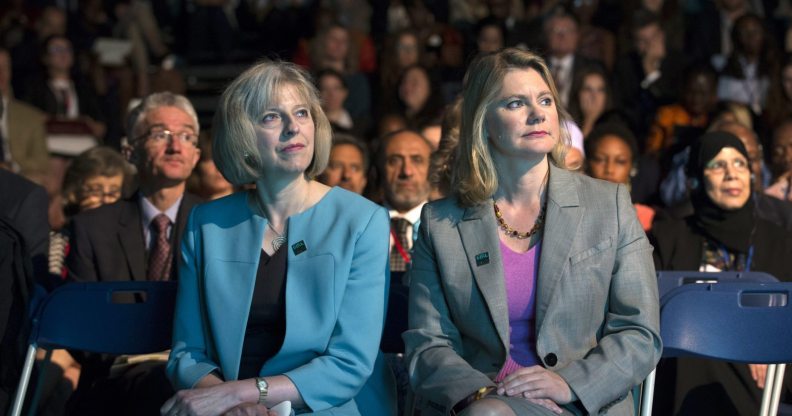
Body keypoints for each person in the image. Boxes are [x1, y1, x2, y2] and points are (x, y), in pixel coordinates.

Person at [403, 48, 661, 416]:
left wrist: (569, 383)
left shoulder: (610, 205)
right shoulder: (440, 223)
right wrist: (482, 394)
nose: (538, 113)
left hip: (581, 402)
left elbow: (640, 333)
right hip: (480, 398)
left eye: (545, 100)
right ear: (484, 122)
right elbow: (429, 344)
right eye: (515, 103)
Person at [162, 60, 396, 415]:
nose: (293, 128)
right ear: (242, 135)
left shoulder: (363, 220)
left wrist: (242, 395)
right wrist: (230, 403)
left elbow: (349, 364)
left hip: (329, 406)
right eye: (272, 117)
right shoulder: (206, 224)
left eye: (302, 113)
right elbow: (187, 354)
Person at [64, 92, 203, 415]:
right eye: (160, 135)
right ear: (130, 151)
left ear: (196, 154)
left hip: (198, 381)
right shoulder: (92, 227)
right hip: (111, 381)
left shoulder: (221, 225)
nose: (175, 146)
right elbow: (81, 326)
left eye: (186, 136)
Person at [650, 131, 792, 415]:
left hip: (763, 374)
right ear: (697, 177)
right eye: (717, 165)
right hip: (683, 369)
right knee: (693, 345)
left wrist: (766, 349)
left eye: (740, 164)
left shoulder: (781, 241)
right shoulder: (669, 237)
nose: (731, 174)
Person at [376, 129, 432, 275]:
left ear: (432, 168)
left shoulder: (448, 227)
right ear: (380, 168)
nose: (406, 171)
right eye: (394, 160)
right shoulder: (360, 224)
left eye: (417, 160)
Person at [584, 123, 656, 231]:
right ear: (588, 163)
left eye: (620, 161)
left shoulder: (645, 219)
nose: (609, 169)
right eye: (600, 159)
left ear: (632, 166)